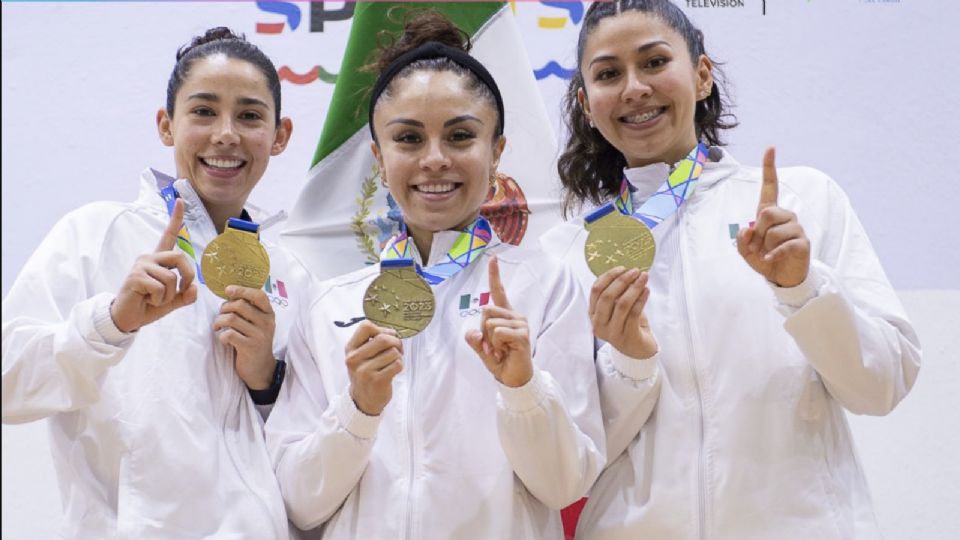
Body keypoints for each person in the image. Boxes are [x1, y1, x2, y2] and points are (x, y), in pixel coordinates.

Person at [539, 1, 923, 538]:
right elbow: (565, 462)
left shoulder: (802, 201)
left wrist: (802, 290)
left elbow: (879, 387)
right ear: (586, 102)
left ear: (700, 76)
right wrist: (626, 362)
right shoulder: (565, 253)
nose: (633, 88)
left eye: (653, 63)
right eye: (608, 74)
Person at [265, 10, 605, 539]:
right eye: (408, 139)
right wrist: (359, 409)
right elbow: (298, 503)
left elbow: (566, 485)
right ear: (379, 158)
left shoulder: (546, 287)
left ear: (497, 153)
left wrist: (523, 388)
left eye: (461, 136)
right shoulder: (329, 304)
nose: (435, 160)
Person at [2, 28, 304, 539]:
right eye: (203, 111)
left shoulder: (293, 273)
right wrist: (110, 324)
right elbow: (8, 381)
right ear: (166, 125)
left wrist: (266, 381)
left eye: (249, 115)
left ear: (280, 135)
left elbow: (305, 449)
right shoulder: (98, 232)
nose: (226, 134)